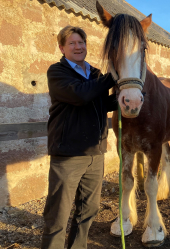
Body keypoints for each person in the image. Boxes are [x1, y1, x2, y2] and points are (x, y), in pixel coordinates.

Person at [41, 26, 117, 249]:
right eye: (72, 43)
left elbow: (101, 103)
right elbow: (80, 95)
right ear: (62, 48)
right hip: (68, 155)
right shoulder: (57, 72)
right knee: (58, 215)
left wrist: (128, 98)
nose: (78, 47)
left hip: (95, 153)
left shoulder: (94, 74)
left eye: (81, 42)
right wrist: (112, 77)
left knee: (88, 210)